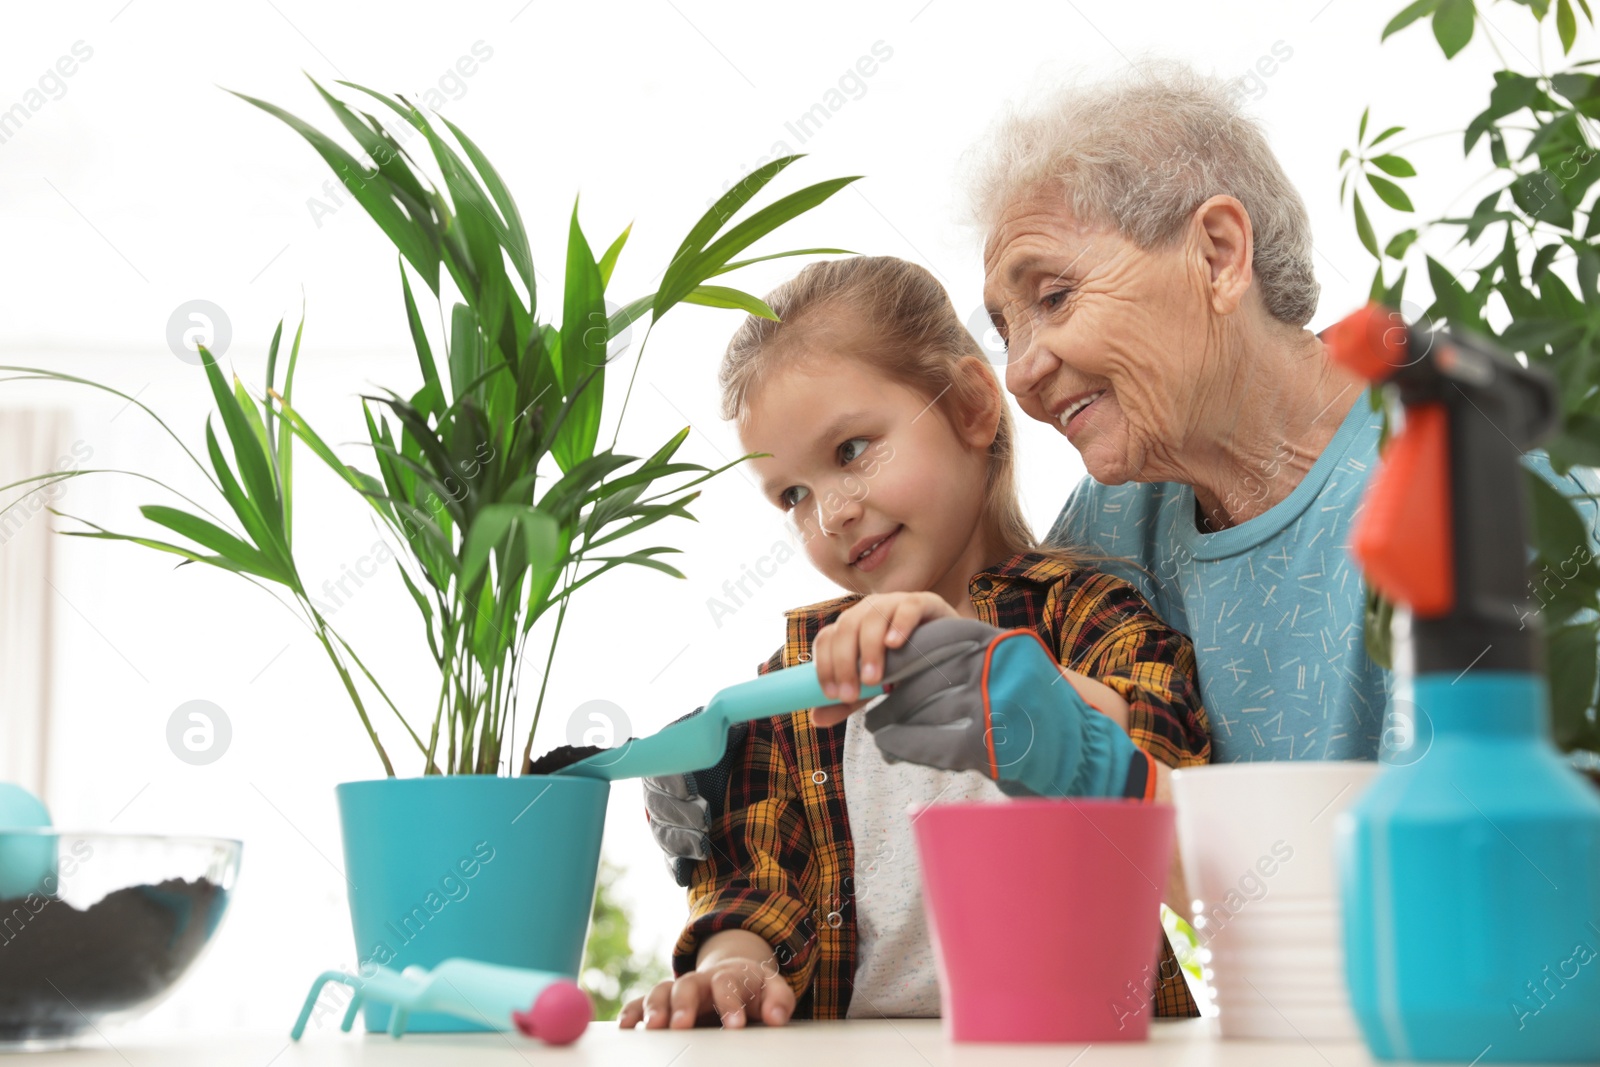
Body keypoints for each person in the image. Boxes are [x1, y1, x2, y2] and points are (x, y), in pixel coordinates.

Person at [618, 256, 1210, 1030]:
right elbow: (757, 885)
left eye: (851, 450)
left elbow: (1172, 776)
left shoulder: (1088, 611)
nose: (830, 513)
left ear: (969, 405)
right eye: (792, 495)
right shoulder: (797, 683)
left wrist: (995, 674)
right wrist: (730, 966)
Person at [968, 59, 1600, 761]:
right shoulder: (1110, 519)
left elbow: (1499, 844)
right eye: (1004, 332)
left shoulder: (1478, 472)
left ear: (1217, 255)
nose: (1021, 372)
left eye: (1054, 296)